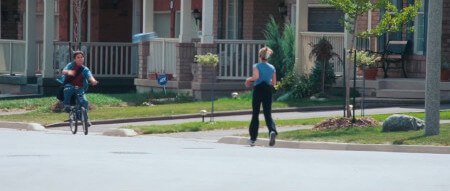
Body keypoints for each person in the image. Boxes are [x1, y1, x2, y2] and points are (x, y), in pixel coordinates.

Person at [245, 47, 277, 147]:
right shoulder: (272, 67)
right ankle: (272, 131)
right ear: (267, 57)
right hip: (268, 90)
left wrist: (248, 80)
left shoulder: (256, 66)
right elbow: (274, 82)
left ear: (260, 56)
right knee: (268, 114)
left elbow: (256, 77)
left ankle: (253, 139)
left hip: (258, 89)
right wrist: (268, 80)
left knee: (255, 114)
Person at [59, 50, 98, 126]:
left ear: (83, 58)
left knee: (84, 101)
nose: (80, 59)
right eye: (78, 57)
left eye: (81, 57)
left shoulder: (85, 69)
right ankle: (66, 105)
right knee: (67, 90)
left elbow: (90, 76)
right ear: (75, 59)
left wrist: (93, 81)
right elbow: (64, 71)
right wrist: (71, 72)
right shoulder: (71, 65)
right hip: (69, 85)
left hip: (80, 88)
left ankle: (85, 119)